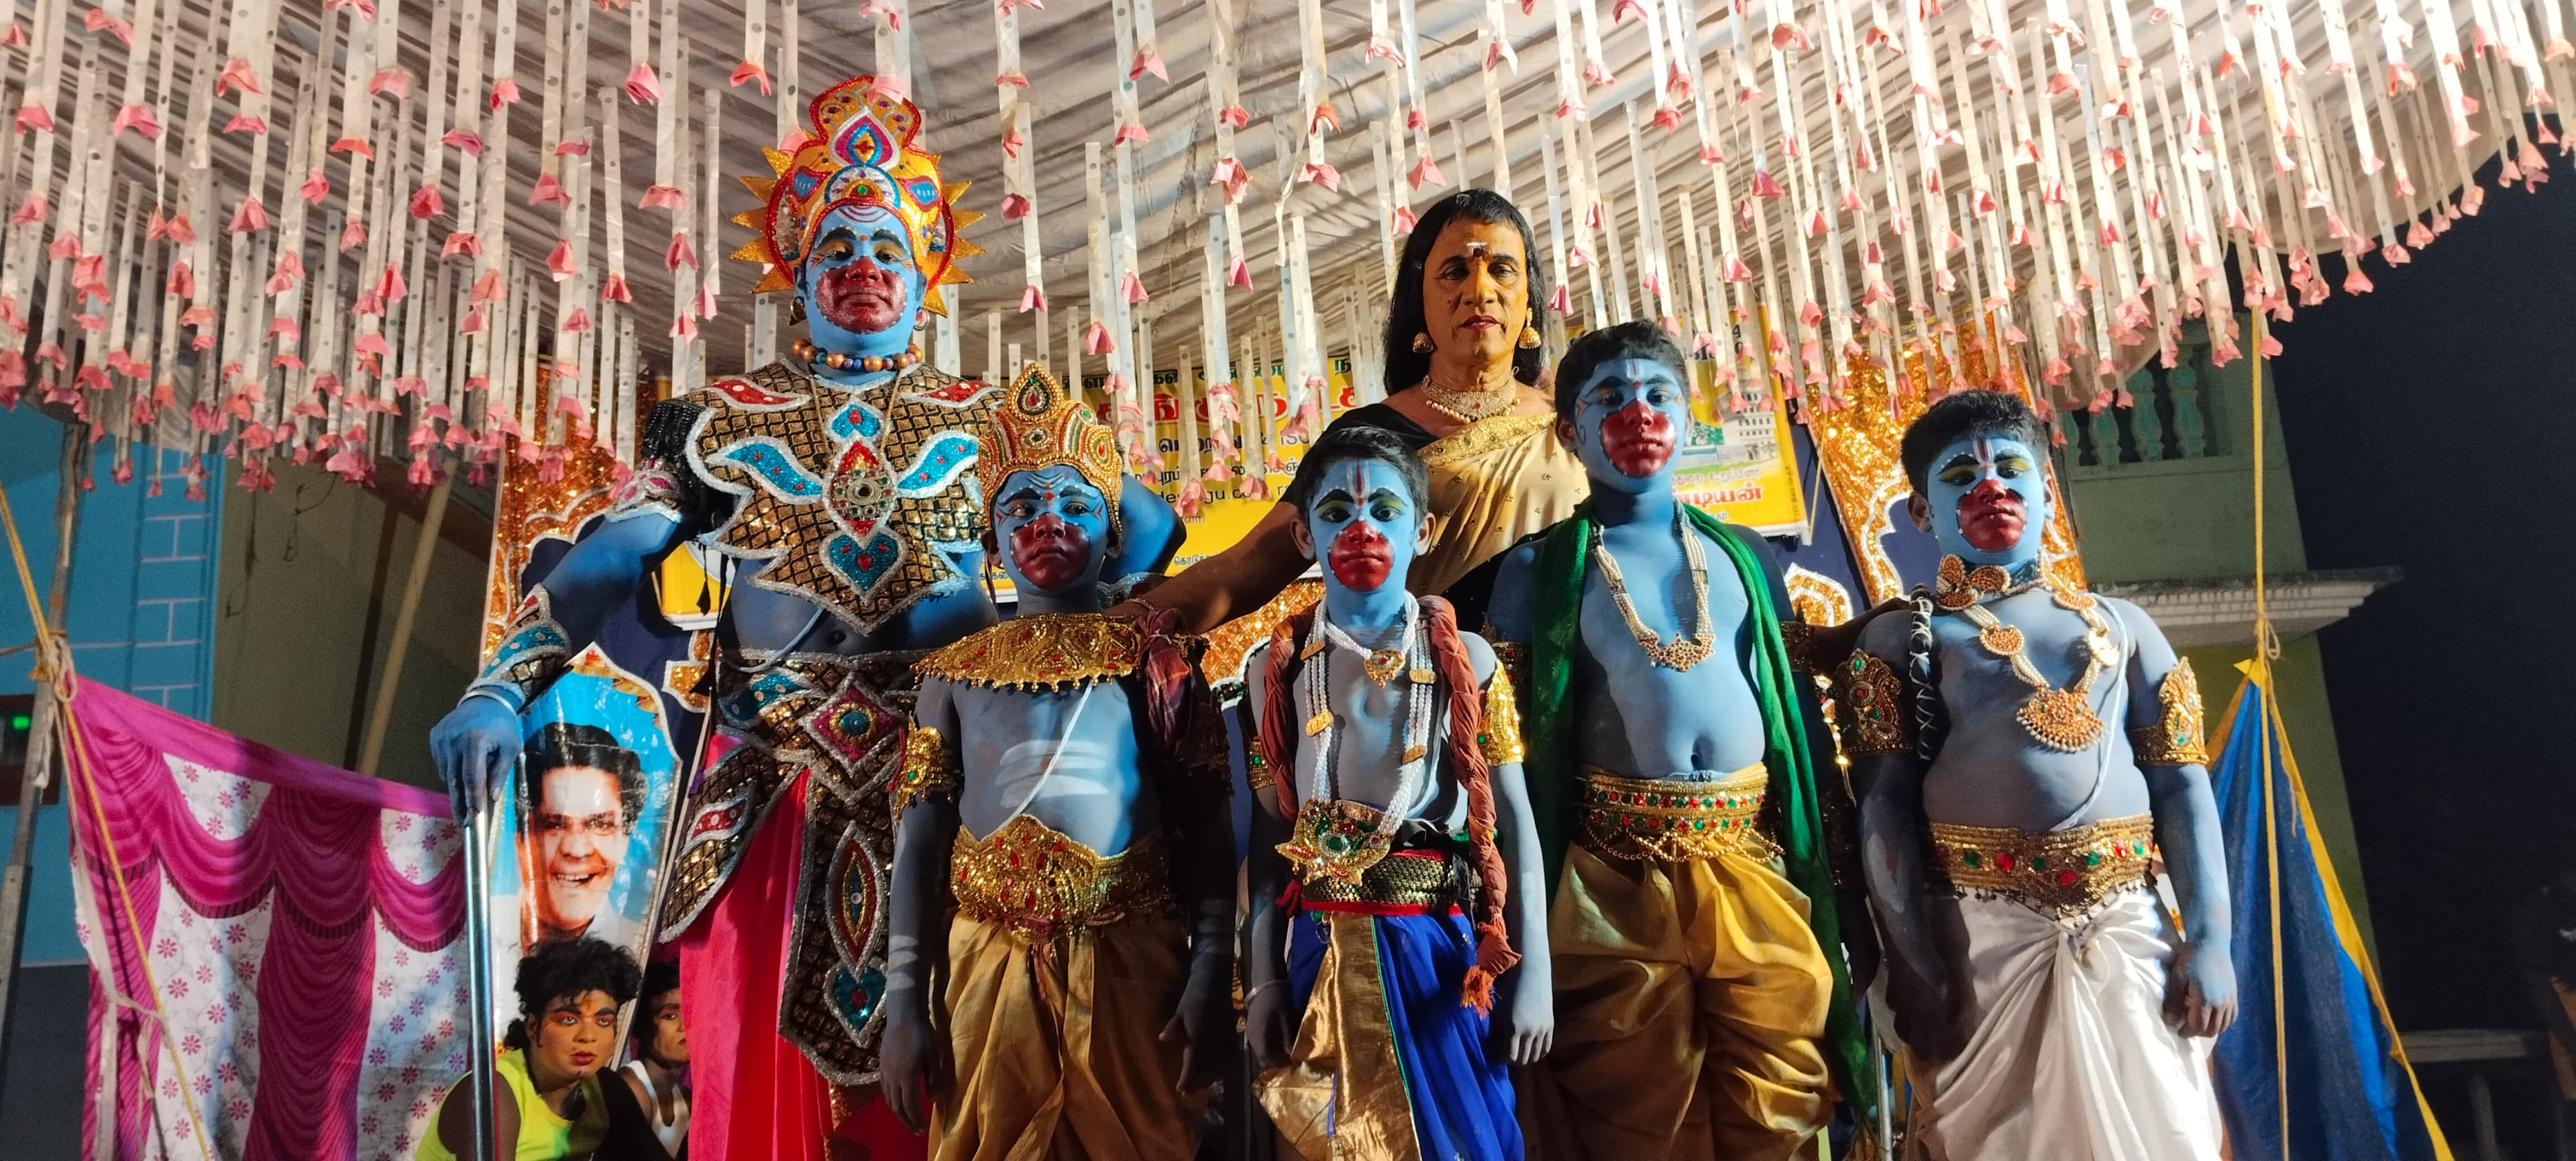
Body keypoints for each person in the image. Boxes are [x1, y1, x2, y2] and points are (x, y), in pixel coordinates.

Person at [426, 76, 1180, 1161]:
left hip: (967, 797)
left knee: (979, 1107)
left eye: (887, 244)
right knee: (765, 1117)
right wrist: (501, 686)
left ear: (927, 272)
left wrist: (1066, 481)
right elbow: (616, 558)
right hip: (777, 794)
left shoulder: (997, 423)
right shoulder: (721, 423)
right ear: (797, 276)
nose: (863, 264)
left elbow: (1148, 542)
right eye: (836, 247)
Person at [1487, 321, 1873, 1161]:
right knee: (1639, 1125)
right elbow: (1504, 760)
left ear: (1691, 420)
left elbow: (1802, 733)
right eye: (1610, 398)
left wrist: (1853, 904)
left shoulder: (1751, 560)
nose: (1639, 413)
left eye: (1660, 394)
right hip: (1609, 891)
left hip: (1756, 874)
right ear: (1569, 432)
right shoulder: (1535, 571)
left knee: (1781, 1115)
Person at [1844, 389, 2235, 1160]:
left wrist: (2214, 938)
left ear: (2046, 491)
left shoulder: (2125, 626)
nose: (1991, 486)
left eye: (2012, 468)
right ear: (1924, 513)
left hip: (2132, 929)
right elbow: (1880, 809)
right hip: (1980, 941)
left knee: (2172, 1139)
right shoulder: (1904, 638)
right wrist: (1914, 962)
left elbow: (2184, 789)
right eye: (1961, 474)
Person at [875, 364, 1234, 1159]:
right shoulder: (951, 672)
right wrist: (905, 1001)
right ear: (990, 540)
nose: (1047, 521)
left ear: (1113, 535)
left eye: (1076, 505)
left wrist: (1214, 962)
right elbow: (921, 844)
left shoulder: (1157, 657)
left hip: (1134, 960)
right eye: (1021, 506)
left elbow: (1208, 829)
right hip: (984, 965)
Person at [1242, 425, 1551, 1161]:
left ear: (1425, 529)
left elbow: (1517, 828)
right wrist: (1259, 981)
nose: (1361, 528)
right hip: (1319, 951)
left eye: (1384, 509)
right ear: (1301, 531)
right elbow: (1265, 850)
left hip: (1439, 957)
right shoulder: (1276, 669)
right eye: (1336, 513)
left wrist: (1534, 969)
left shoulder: (1462, 656)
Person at [1118, 189, 1583, 636]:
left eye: (1501, 270)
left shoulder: (1574, 423)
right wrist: (1113, 630)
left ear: (1529, 298)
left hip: (1573, 696)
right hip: (1421, 697)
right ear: (1418, 303)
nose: (1479, 290)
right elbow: (1248, 567)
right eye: (1454, 271)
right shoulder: (1369, 436)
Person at [421, 938, 643, 1161]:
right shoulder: (493, 1093)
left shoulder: (606, 1089)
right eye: (568, 1019)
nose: (588, 1036)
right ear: (532, 1026)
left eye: (603, 1021)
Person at [521, 723, 643, 946]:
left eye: (600, 824)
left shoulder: (642, 946)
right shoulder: (481, 929)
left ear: (624, 839)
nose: (576, 850)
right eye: (554, 825)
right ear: (521, 838)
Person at [600, 958, 691, 1161]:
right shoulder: (632, 1087)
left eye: (690, 1012)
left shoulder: (685, 1100)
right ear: (641, 1025)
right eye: (670, 1016)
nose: (684, 1027)